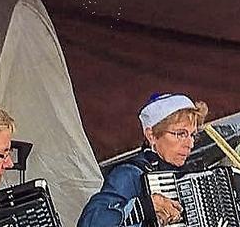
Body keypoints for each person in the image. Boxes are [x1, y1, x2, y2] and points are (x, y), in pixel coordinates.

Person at [78, 93, 209, 227]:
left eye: (192, 135)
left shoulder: (191, 174)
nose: (190, 144)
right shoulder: (129, 174)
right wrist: (144, 207)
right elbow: (90, 223)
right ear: (151, 136)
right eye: (180, 134)